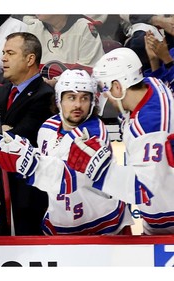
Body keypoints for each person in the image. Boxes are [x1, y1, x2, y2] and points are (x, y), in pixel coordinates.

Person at [0, 69, 133, 235]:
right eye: (71, 98)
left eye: (84, 98)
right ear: (59, 100)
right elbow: (50, 158)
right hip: (59, 225)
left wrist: (27, 162)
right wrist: (12, 148)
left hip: (103, 226)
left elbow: (69, 178)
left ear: (93, 102)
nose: (78, 105)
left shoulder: (93, 134)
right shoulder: (47, 127)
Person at [67, 47, 174, 235]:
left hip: (167, 226)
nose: (104, 97)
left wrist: (99, 169)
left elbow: (144, 190)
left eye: (104, 88)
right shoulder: (152, 84)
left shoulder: (149, 127)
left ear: (118, 87)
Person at [0, 32, 56, 235]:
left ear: (30, 59)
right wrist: (1, 130)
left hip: (27, 201)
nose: (3, 58)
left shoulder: (45, 96)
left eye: (10, 53)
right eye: (3, 53)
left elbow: (18, 138)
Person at [24, 15, 105, 86]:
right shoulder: (33, 28)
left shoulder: (84, 27)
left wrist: (57, 81)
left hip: (74, 92)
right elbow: (23, 65)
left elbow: (89, 68)